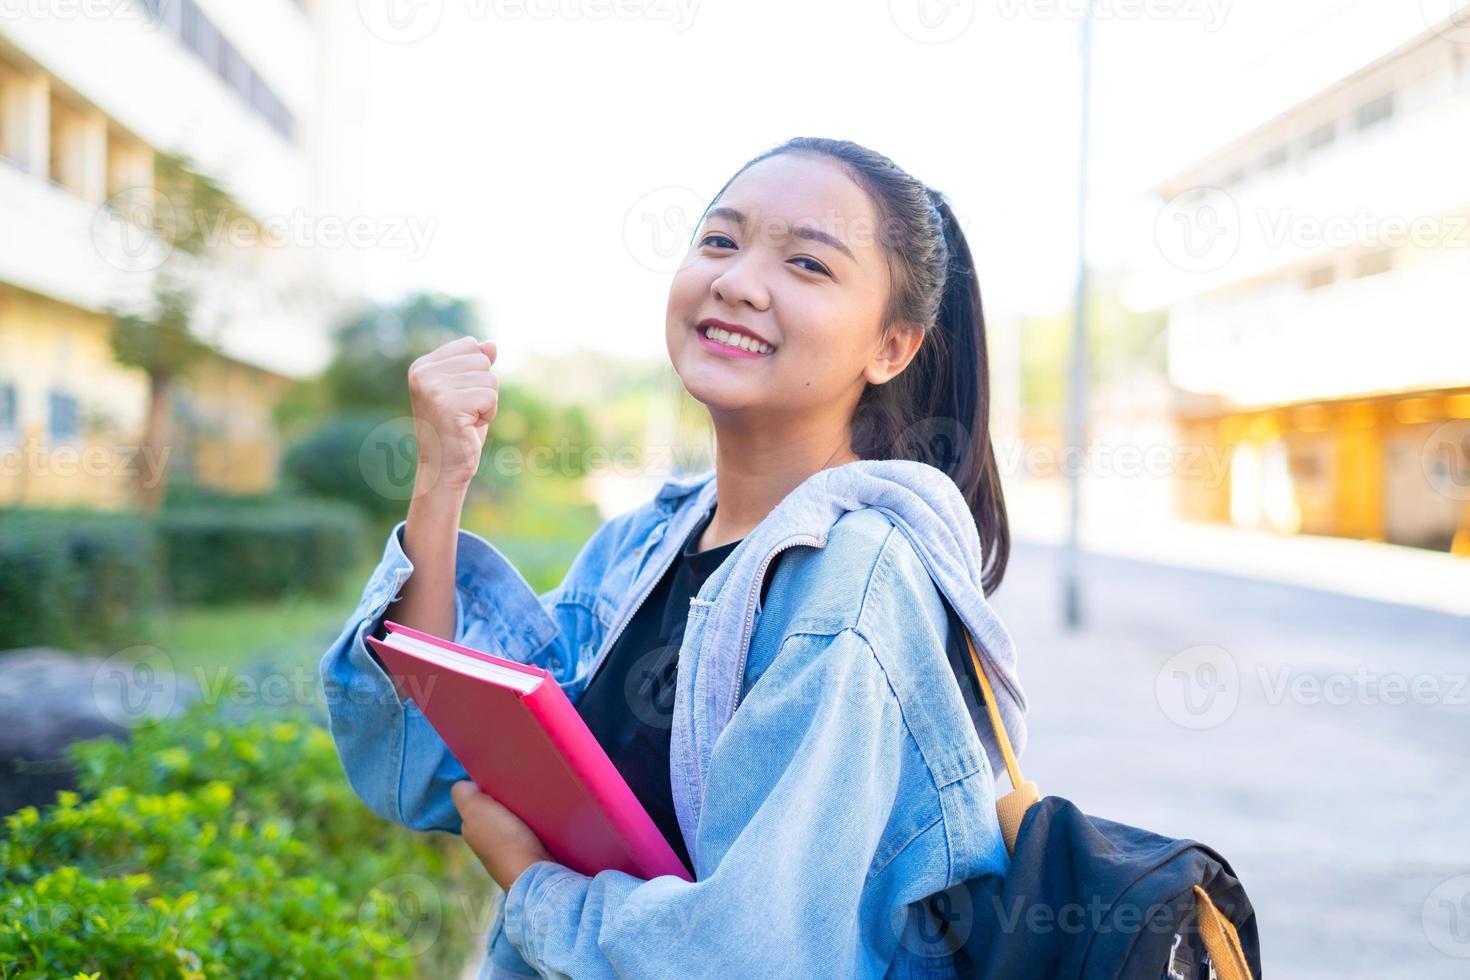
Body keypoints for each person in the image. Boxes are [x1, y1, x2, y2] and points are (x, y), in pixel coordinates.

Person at [319, 136, 1028, 979]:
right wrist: (440, 481)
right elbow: (428, 761)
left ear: (892, 348)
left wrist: (532, 884)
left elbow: (749, 956)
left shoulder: (853, 582)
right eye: (720, 240)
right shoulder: (647, 541)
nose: (736, 280)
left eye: (806, 264)